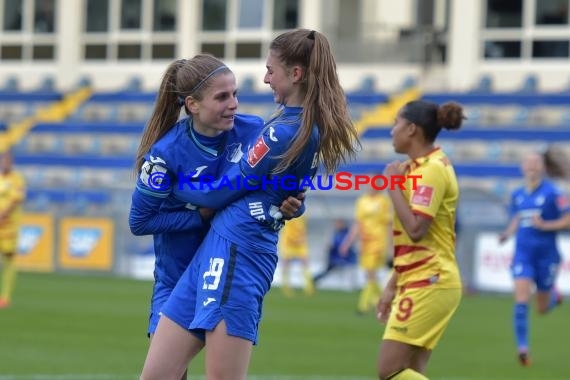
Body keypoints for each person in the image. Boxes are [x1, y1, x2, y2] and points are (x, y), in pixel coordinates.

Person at [140, 28, 359, 380]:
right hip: (218, 247)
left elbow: (222, 191)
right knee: (156, 375)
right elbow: (282, 194)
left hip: (239, 250)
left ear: (296, 74)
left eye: (271, 70)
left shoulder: (283, 131)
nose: (266, 78)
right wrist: (289, 206)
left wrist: (174, 184)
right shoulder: (292, 126)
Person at [128, 54, 303, 379]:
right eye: (222, 97)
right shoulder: (165, 155)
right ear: (192, 104)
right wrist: (201, 217)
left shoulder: (253, 131)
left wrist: (292, 205)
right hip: (177, 278)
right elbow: (140, 221)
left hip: (227, 269)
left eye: (235, 93)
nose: (233, 104)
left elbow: (278, 190)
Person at [376, 100, 465, 380]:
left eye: (396, 124)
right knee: (412, 371)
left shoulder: (431, 170)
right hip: (420, 277)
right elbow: (411, 243)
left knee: (389, 370)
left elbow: (416, 229)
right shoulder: (418, 167)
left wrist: (391, 185)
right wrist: (393, 284)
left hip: (430, 280)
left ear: (412, 129)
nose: (392, 131)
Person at [498, 150, 570, 367]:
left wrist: (546, 225)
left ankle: (554, 297)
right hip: (523, 254)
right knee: (521, 300)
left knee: (541, 308)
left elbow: (567, 220)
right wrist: (507, 234)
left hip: (547, 257)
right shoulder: (517, 194)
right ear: (522, 167)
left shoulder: (554, 193)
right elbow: (517, 218)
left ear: (543, 168)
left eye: (535, 163)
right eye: (528, 163)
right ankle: (523, 349)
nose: (531, 167)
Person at [340, 186, 392, 314]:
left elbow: (389, 224)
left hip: (378, 242)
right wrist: (347, 242)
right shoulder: (362, 201)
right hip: (365, 244)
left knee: (370, 274)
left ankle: (362, 307)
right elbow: (358, 224)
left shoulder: (383, 201)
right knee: (370, 276)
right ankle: (382, 302)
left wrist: (391, 245)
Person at [0, 151, 26, 309]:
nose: (5, 163)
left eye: (8, 160)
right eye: (3, 160)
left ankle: (5, 297)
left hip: (9, 227)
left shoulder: (17, 179)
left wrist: (3, 215)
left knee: (9, 258)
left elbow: (16, 200)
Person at [313, 218, 358, 289]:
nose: (337, 225)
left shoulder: (347, 233)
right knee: (327, 270)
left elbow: (348, 246)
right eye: (337, 224)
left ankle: (351, 286)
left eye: (339, 223)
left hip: (346, 259)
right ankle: (314, 279)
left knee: (347, 269)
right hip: (335, 259)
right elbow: (331, 246)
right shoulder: (335, 233)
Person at [278, 213, 315, 297]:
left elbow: (304, 228)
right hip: (289, 242)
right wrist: (293, 239)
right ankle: (285, 287)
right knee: (286, 264)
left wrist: (302, 238)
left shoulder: (303, 213)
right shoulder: (288, 212)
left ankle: (309, 287)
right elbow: (286, 228)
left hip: (300, 242)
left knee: (305, 262)